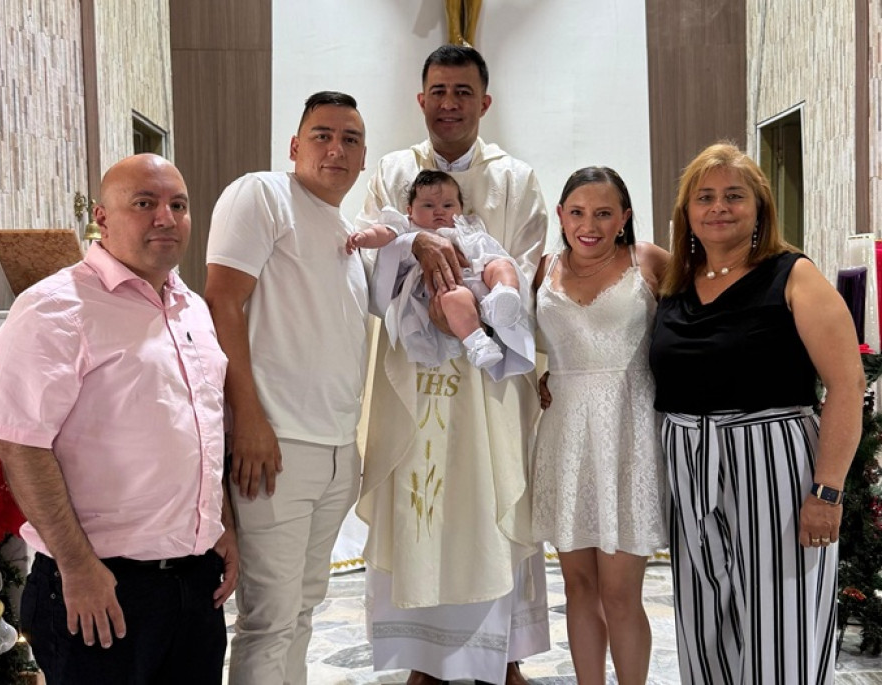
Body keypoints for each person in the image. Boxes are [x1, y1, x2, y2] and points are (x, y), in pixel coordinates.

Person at [0, 153, 237, 684]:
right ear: (102, 216)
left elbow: (203, 427)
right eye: (145, 203)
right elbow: (20, 443)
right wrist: (76, 567)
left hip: (194, 584)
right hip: (100, 586)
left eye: (178, 205)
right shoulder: (55, 308)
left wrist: (222, 524)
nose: (165, 217)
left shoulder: (191, 307)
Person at [355, 44, 551, 685]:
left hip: (487, 381)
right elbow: (362, 259)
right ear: (421, 99)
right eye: (438, 91)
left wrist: (480, 300)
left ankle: (504, 656)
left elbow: (530, 272)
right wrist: (414, 243)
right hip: (415, 378)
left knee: (491, 502)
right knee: (423, 504)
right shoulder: (389, 171)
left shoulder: (516, 180)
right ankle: (425, 660)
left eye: (463, 92)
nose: (449, 104)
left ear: (484, 102)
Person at [648, 142, 865, 684]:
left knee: (781, 628)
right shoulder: (674, 281)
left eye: (734, 196)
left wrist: (828, 491)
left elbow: (846, 384)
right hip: (688, 461)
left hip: (771, 459)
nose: (718, 207)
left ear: (760, 208)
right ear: (687, 212)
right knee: (706, 630)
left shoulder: (793, 276)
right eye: (705, 197)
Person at [204, 91, 369, 685]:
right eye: (322, 135)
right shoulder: (264, 193)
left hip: (334, 449)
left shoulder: (348, 232)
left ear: (363, 155)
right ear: (295, 146)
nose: (336, 148)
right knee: (269, 619)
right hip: (275, 445)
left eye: (350, 139)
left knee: (301, 610)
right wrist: (247, 419)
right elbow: (222, 298)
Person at [533, 167, 668, 684]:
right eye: (577, 212)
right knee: (578, 589)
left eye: (604, 212)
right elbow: (514, 345)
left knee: (619, 592)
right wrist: (535, 382)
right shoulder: (542, 268)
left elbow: (694, 326)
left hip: (628, 432)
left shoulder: (648, 259)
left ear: (624, 218)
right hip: (565, 435)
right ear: (562, 215)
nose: (589, 224)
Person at [346, 169, 533, 372]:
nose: (439, 211)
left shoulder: (468, 226)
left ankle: (504, 296)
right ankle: (478, 342)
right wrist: (364, 238)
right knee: (454, 298)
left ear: (461, 209)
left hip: (480, 276)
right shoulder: (405, 225)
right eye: (428, 205)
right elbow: (382, 233)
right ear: (409, 210)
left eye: (448, 205)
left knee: (501, 264)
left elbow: (494, 252)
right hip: (449, 285)